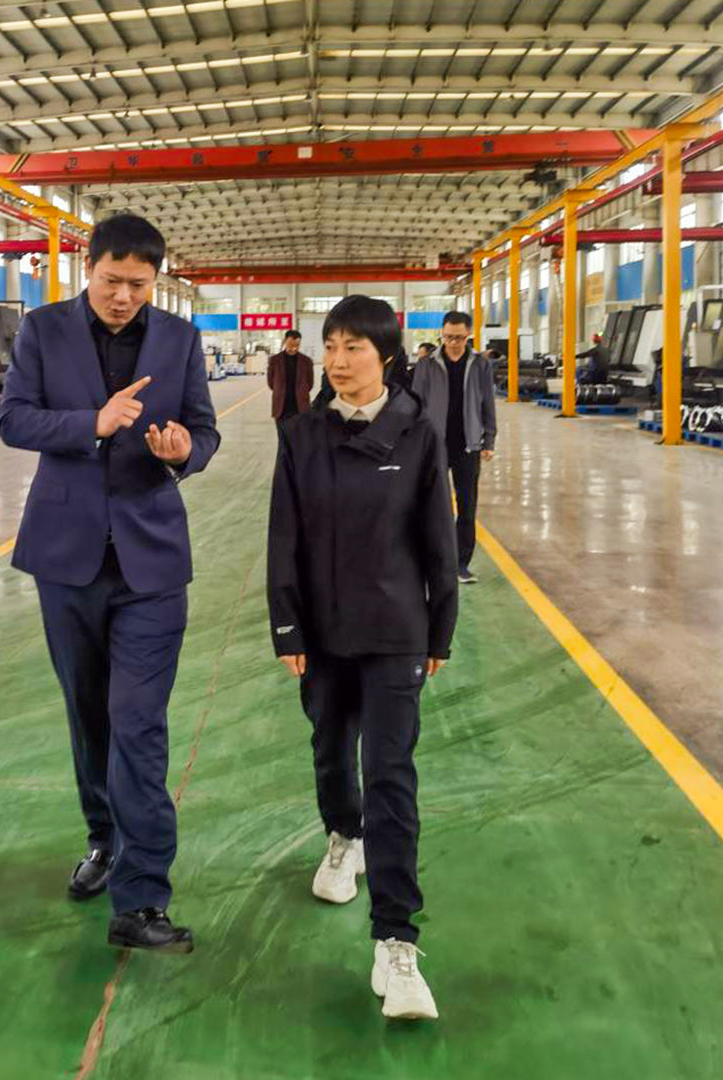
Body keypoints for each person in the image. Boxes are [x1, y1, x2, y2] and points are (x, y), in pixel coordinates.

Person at [0, 213, 220, 954]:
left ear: (156, 281)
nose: (124, 296)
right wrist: (89, 424)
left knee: (138, 721)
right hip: (66, 558)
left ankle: (142, 894)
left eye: (139, 284)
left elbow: (204, 430)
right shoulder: (43, 330)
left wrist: (184, 451)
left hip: (150, 560)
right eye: (111, 281)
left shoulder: (180, 340)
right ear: (86, 268)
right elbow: (14, 420)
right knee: (88, 712)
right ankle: (104, 839)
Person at [267, 295, 458, 1021]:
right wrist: (288, 629)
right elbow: (284, 538)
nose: (339, 361)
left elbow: (437, 539)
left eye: (354, 348)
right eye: (332, 346)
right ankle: (343, 836)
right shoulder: (302, 434)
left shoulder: (418, 432)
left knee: (390, 772)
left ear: (387, 357)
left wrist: (439, 630)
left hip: (395, 630)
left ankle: (396, 940)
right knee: (329, 747)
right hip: (321, 631)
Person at [411, 311, 496, 585]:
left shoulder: (480, 365)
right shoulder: (427, 365)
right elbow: (416, 405)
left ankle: (461, 564)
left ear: (468, 334)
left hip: (468, 446)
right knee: (433, 505)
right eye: (448, 337)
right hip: (435, 445)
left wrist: (489, 440)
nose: (453, 343)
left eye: (458, 338)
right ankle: (434, 561)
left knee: (467, 507)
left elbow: (488, 404)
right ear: (442, 334)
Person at [267, 329, 314, 420]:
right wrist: (279, 389)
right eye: (291, 345)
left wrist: (302, 391)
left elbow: (310, 383)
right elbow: (270, 382)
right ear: (285, 341)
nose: (294, 348)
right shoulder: (274, 360)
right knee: (282, 429)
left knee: (300, 429)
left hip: (300, 406)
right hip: (281, 406)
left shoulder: (307, 361)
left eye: (297, 345)